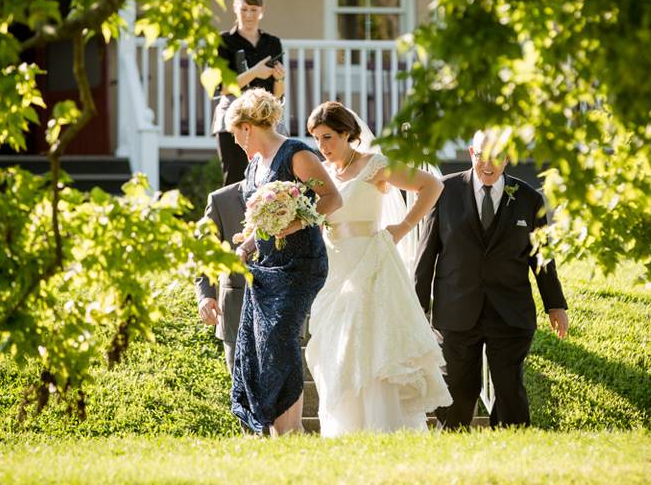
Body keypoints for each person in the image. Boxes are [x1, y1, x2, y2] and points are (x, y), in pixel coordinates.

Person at [304, 101, 452, 437]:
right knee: (335, 345)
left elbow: (432, 185)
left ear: (347, 134)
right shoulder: (322, 177)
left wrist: (402, 227)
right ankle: (346, 430)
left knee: (372, 342)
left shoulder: (375, 165)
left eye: (328, 137)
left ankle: (384, 427)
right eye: (316, 139)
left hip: (371, 261)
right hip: (335, 269)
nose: (322, 147)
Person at [414, 130, 569, 429]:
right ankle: (454, 449)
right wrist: (418, 306)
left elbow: (542, 259)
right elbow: (426, 254)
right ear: (471, 152)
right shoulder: (443, 191)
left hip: (510, 311)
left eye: (496, 156)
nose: (488, 164)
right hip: (456, 310)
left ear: (508, 158)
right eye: (481, 155)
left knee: (509, 388)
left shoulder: (529, 199)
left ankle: (512, 452)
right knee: (458, 389)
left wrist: (555, 304)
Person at [227, 89, 342, 436]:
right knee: (260, 345)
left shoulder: (297, 154)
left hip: (301, 264)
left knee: (280, 338)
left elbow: (332, 198)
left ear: (248, 127)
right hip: (265, 267)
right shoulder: (252, 168)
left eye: (236, 135)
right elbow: (262, 223)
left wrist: (296, 222)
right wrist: (246, 246)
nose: (237, 144)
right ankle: (273, 428)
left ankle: (291, 430)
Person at [210, 0, 287, 187]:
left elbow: (278, 94)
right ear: (235, 9)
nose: (249, 15)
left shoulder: (272, 43)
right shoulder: (224, 41)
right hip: (233, 117)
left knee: (270, 180)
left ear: (262, 11)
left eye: (253, 10)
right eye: (244, 9)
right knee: (235, 181)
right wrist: (254, 72)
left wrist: (279, 78)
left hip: (264, 116)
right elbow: (222, 87)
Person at [194, 181, 247, 372]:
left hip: (283, 309)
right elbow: (205, 254)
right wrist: (206, 295)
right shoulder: (220, 200)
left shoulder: (291, 195)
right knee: (241, 392)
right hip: (235, 309)